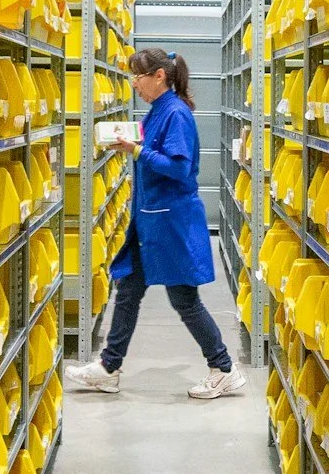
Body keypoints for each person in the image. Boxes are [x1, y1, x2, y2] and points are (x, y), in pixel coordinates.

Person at [66, 47, 246, 399]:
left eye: (138, 76)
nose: (134, 83)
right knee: (129, 288)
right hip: (150, 219)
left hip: (170, 221)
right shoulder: (158, 110)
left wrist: (135, 150)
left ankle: (224, 368)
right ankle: (108, 366)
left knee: (184, 300)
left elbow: (178, 168)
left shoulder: (176, 113)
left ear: (159, 76)